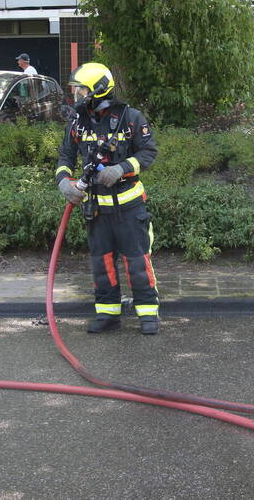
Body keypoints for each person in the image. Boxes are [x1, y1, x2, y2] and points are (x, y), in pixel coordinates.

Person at [55, 62, 160, 335]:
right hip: (96, 210)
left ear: (98, 90)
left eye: (81, 90)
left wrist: (121, 168)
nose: (76, 95)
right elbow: (66, 156)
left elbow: (148, 153)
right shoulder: (78, 120)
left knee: (137, 263)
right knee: (101, 264)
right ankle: (108, 314)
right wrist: (63, 182)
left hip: (130, 207)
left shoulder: (131, 118)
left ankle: (148, 315)